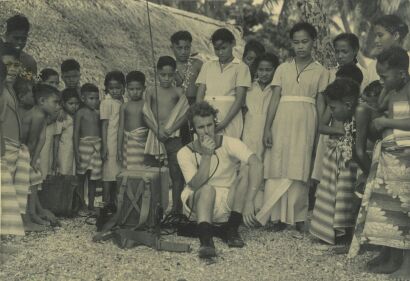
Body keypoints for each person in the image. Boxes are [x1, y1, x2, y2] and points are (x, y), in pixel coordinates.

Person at [258, 22, 329, 230]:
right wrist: (267, 128)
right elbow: (274, 99)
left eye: (305, 42)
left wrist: (318, 132)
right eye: (296, 42)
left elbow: (320, 102)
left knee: (300, 165)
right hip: (282, 119)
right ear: (291, 43)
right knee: (278, 164)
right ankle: (276, 217)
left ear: (313, 42)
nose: (300, 46)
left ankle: (298, 218)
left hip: (306, 120)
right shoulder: (282, 68)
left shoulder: (320, 71)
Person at [348, 47, 410, 279]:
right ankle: (388, 253)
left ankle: (406, 264)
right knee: (388, 209)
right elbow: (381, 105)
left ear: (403, 74)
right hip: (390, 156)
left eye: (384, 76)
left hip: (406, 158)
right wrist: (385, 87)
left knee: (405, 211)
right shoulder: (392, 90)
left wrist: (386, 120)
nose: (381, 80)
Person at [177, 102, 263, 258]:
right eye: (201, 127)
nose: (207, 131)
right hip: (198, 202)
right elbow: (196, 184)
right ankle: (206, 241)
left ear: (215, 123)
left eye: (209, 125)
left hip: (226, 202)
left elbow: (256, 163)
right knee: (208, 189)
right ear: (193, 129)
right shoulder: (184, 152)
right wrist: (207, 155)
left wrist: (250, 200)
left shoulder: (230, 142)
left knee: (247, 168)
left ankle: (232, 229)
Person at [309, 78, 360, 245]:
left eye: (332, 108)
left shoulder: (359, 114)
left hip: (351, 162)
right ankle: (329, 231)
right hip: (336, 155)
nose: (331, 111)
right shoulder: (343, 114)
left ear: (347, 104)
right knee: (332, 193)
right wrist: (338, 133)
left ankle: (345, 233)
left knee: (346, 196)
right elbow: (322, 127)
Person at [144, 56, 189, 214]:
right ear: (157, 73)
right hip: (154, 137)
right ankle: (154, 209)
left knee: (177, 173)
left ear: (174, 74)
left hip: (173, 137)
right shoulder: (150, 91)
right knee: (153, 172)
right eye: (163, 75)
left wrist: (170, 130)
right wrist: (157, 131)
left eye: (170, 75)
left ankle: (176, 209)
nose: (166, 78)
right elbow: (146, 114)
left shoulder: (178, 91)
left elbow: (184, 114)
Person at [196, 28, 251, 139]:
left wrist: (224, 123)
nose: (220, 52)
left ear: (233, 44)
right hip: (207, 119)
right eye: (217, 49)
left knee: (228, 150)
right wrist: (202, 118)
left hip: (230, 118)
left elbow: (239, 100)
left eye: (224, 48)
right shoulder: (207, 66)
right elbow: (200, 96)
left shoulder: (241, 67)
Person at [20, 84, 60, 228]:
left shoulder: (43, 115)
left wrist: (34, 158)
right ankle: (27, 218)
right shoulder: (36, 115)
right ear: (42, 101)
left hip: (30, 153)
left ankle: (33, 213)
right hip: (22, 151)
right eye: (55, 102)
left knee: (35, 180)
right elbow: (30, 140)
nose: (57, 106)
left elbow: (42, 138)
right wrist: (30, 160)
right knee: (25, 184)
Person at [0, 60, 26, 238]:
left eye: (16, 65)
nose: (12, 70)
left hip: (10, 143)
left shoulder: (9, 90)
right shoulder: (2, 93)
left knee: (6, 186)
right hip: (5, 143)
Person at [242, 52, 279, 160]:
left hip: (269, 130)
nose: (264, 73)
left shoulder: (277, 90)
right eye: (261, 70)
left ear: (275, 70)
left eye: (268, 70)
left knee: (267, 162)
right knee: (248, 162)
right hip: (249, 130)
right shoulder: (249, 88)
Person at [170, 30, 203, 145]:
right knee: (179, 140)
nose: (183, 51)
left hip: (195, 104)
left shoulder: (197, 64)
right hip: (176, 107)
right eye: (179, 48)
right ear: (172, 48)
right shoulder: (169, 66)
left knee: (195, 138)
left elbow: (205, 87)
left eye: (187, 48)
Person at [74, 83, 102, 213]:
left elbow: (101, 131)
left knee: (93, 178)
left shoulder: (98, 113)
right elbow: (76, 134)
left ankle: (91, 204)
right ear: (83, 99)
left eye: (97, 98)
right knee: (81, 177)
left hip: (96, 146)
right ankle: (81, 204)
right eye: (91, 98)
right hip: (83, 146)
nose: (95, 101)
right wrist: (76, 152)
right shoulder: (80, 113)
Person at [100, 71, 125, 207]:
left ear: (123, 87)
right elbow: (104, 125)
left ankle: (115, 202)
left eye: (118, 88)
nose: (115, 91)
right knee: (108, 174)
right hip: (110, 141)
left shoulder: (121, 101)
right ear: (107, 88)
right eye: (111, 88)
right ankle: (105, 203)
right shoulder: (106, 103)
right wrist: (104, 146)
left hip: (120, 141)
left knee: (117, 172)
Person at [117, 71, 148, 170]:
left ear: (144, 88)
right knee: (128, 170)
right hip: (127, 143)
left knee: (141, 170)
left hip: (142, 143)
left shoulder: (146, 105)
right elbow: (121, 128)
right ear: (126, 89)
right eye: (131, 89)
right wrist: (118, 148)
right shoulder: (124, 106)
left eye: (138, 89)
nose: (135, 92)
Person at [367, 15, 409, 84]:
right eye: (375, 36)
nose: (376, 40)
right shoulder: (373, 66)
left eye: (380, 35)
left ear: (396, 35)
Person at [354, 81, 383, 177]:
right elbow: (359, 151)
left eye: (372, 104)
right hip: (371, 164)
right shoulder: (363, 110)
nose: (368, 106)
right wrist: (373, 176)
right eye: (365, 102)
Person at [52, 88, 80, 175]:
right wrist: (55, 157)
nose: (74, 106)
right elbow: (56, 139)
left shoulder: (78, 116)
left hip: (75, 151)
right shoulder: (62, 117)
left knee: (73, 175)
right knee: (64, 173)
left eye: (76, 103)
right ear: (63, 103)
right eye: (71, 103)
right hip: (64, 152)